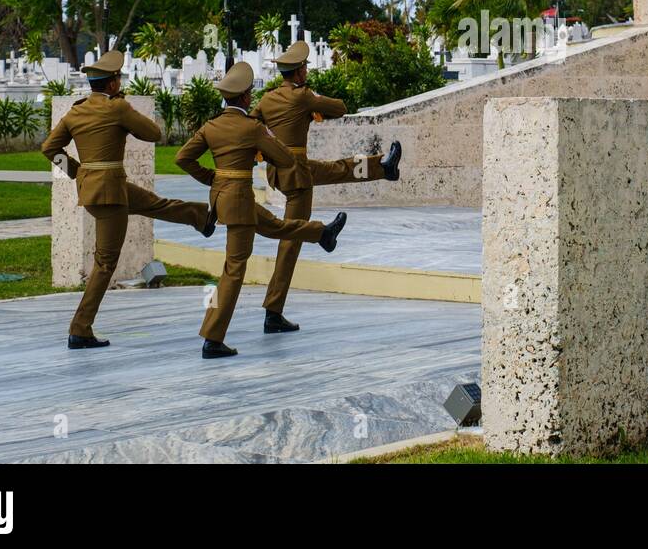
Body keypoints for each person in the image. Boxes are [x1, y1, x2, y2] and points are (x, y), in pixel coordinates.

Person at [41, 50, 216, 350]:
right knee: (105, 263)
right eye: (118, 78)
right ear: (111, 84)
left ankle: (201, 217)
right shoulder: (117, 108)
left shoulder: (75, 111)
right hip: (110, 195)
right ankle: (80, 328)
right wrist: (125, 107)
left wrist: (77, 172)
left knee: (153, 203)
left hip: (100, 190)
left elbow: (49, 148)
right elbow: (154, 133)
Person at [175, 61, 346, 359]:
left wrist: (213, 178)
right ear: (244, 98)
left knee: (277, 226)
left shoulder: (211, 127)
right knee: (233, 269)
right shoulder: (252, 129)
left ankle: (322, 233)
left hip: (224, 198)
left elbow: (182, 158)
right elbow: (284, 158)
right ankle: (212, 339)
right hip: (240, 202)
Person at [251, 41, 401, 333]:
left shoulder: (267, 100)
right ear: (298, 73)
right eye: (305, 67)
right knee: (291, 238)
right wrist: (312, 105)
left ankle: (383, 167)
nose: (307, 70)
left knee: (337, 168)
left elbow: (253, 127)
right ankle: (273, 310)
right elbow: (339, 107)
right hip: (296, 173)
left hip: (278, 170)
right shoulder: (303, 96)